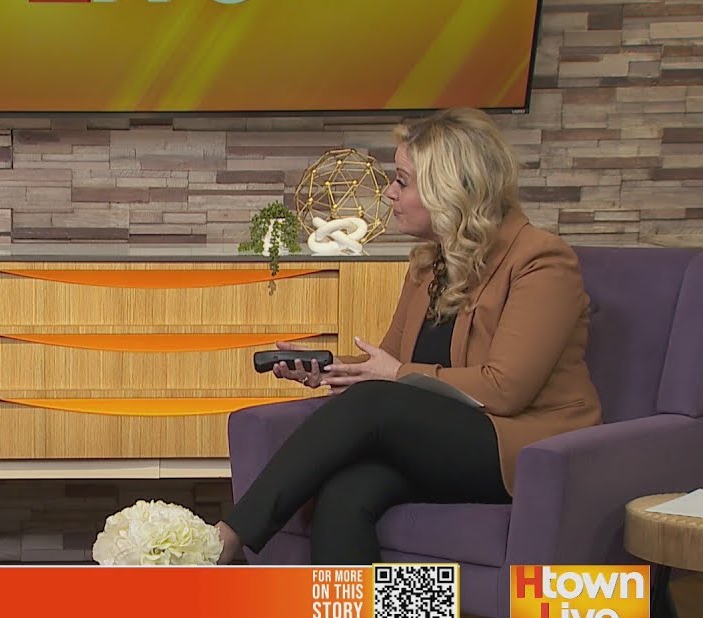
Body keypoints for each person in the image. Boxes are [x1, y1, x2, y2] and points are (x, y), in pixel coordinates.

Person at [215, 107, 602, 565]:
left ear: (451, 189)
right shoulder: (427, 265)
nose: (390, 194)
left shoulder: (542, 261)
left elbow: (505, 389)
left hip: (522, 447)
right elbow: (390, 367)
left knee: (374, 403)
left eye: (402, 181)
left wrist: (390, 376)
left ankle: (229, 538)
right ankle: (372, 615)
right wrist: (333, 370)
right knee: (344, 493)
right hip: (441, 441)